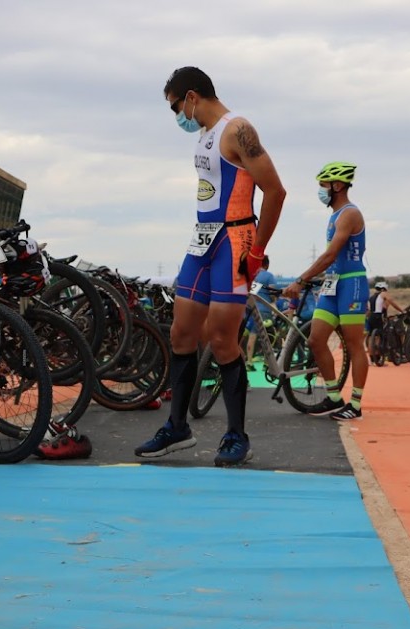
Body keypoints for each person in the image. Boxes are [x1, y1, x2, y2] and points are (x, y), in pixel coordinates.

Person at [135, 66, 286, 467]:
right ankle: (177, 428)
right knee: (182, 332)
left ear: (191, 97)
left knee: (222, 339)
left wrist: (257, 250)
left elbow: (275, 190)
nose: (176, 117)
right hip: (201, 239)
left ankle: (237, 435)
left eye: (174, 107)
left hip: (235, 240)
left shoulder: (237, 129)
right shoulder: (204, 134)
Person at [283, 161, 371, 420]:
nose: (320, 190)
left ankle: (355, 404)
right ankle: (333, 397)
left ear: (338, 185)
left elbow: (331, 253)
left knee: (354, 344)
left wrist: (301, 279)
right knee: (316, 339)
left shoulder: (350, 214)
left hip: (351, 284)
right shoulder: (334, 215)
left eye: (323, 185)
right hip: (332, 284)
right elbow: (331, 259)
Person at [244, 255, 277, 370]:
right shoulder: (269, 276)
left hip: (248, 309)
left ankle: (249, 362)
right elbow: (273, 294)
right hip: (264, 310)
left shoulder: (251, 275)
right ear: (267, 265)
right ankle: (267, 364)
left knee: (251, 338)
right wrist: (273, 299)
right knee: (268, 337)